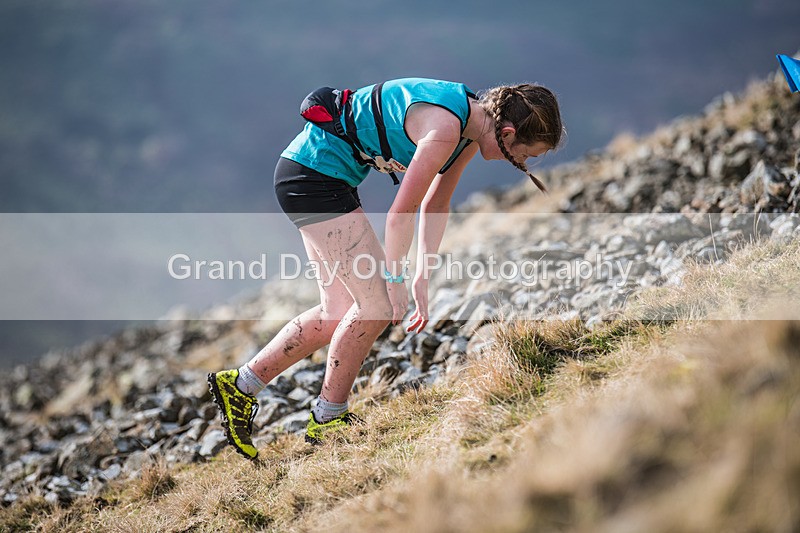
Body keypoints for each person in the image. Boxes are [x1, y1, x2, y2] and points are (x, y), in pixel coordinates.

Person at [208, 77, 564, 459]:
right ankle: (328, 418)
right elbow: (400, 214)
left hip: (316, 176)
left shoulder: (468, 128)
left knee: (339, 312)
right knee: (376, 305)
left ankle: (240, 386)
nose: (523, 164)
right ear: (508, 133)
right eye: (526, 155)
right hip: (313, 179)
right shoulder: (446, 128)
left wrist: (422, 278)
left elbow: (435, 205)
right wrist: (395, 280)